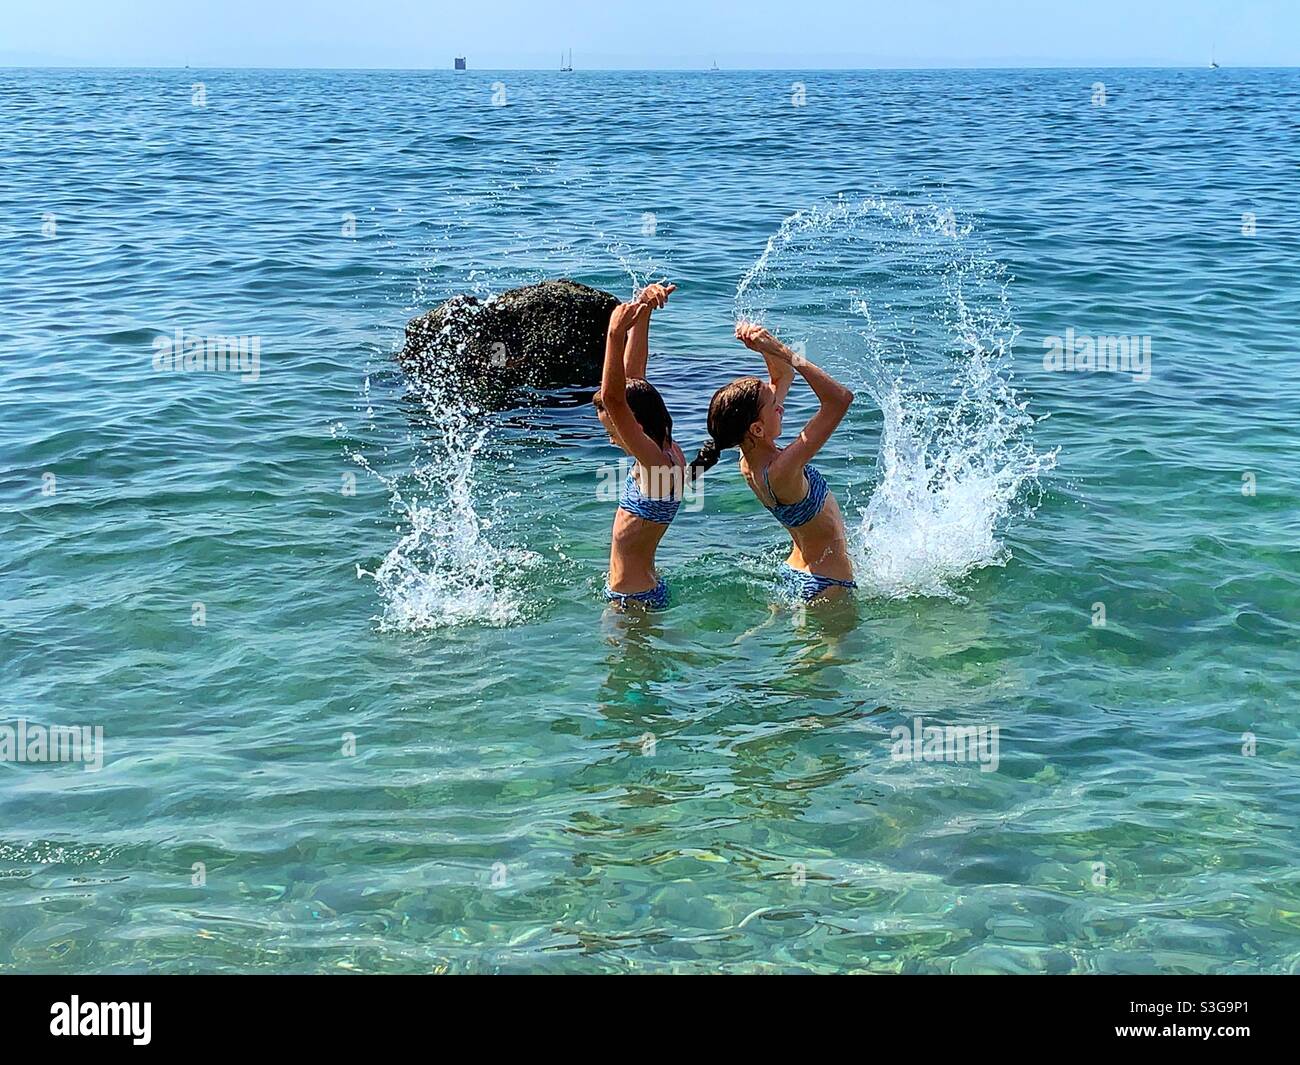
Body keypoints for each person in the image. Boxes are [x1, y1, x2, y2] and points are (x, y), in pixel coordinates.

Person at [689, 321, 857, 601]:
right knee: (840, 646)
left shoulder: (749, 458)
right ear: (756, 428)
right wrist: (782, 349)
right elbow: (839, 399)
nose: (781, 405)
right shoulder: (783, 469)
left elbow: (781, 377)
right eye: (774, 405)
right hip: (826, 582)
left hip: (795, 571)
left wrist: (762, 346)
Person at [593, 282, 688, 609]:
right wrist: (644, 310)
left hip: (631, 602)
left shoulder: (656, 466)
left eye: (613, 427)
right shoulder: (667, 451)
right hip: (643, 589)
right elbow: (633, 382)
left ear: (635, 423)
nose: (611, 434)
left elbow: (615, 398)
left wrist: (614, 334)